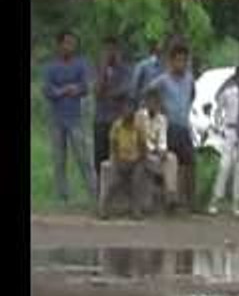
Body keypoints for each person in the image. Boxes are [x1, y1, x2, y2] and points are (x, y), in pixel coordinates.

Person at [41, 30, 97, 205]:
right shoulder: (51, 67)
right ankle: (62, 195)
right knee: (59, 158)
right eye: (67, 43)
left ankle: (94, 192)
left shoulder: (81, 64)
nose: (70, 47)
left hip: (76, 118)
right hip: (57, 118)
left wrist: (73, 89)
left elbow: (85, 86)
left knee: (84, 157)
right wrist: (65, 90)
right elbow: (47, 90)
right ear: (59, 45)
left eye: (73, 43)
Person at [146, 43, 196, 212]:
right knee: (168, 161)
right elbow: (149, 92)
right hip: (169, 127)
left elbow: (192, 94)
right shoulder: (163, 80)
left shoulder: (189, 78)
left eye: (184, 60)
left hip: (183, 126)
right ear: (171, 61)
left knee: (188, 163)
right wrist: (160, 109)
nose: (181, 64)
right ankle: (168, 199)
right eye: (178, 60)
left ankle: (188, 201)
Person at [209, 66, 239, 216]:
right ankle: (215, 199)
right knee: (225, 165)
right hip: (230, 131)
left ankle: (236, 203)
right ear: (235, 78)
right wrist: (220, 128)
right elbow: (218, 111)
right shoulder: (228, 93)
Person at [99, 97, 148, 220]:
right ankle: (104, 208)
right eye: (126, 109)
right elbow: (113, 146)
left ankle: (136, 209)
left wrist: (139, 161)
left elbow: (143, 146)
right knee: (113, 182)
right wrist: (117, 161)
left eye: (131, 109)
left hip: (135, 160)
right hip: (120, 159)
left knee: (137, 180)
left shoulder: (138, 126)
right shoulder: (117, 126)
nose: (128, 112)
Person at [93, 36, 133, 180]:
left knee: (121, 156)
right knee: (100, 157)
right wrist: (103, 69)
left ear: (118, 50)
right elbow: (97, 92)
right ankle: (100, 191)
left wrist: (108, 93)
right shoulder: (98, 69)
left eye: (112, 49)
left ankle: (121, 191)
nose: (109, 53)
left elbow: (124, 91)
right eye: (106, 49)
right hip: (101, 119)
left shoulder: (127, 70)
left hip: (119, 120)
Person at [137, 89, 179, 213]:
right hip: (142, 153)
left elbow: (162, 140)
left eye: (156, 103)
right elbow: (140, 139)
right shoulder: (139, 117)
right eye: (150, 102)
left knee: (171, 158)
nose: (153, 105)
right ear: (145, 103)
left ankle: (171, 194)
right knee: (152, 159)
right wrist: (152, 149)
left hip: (155, 155)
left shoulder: (162, 119)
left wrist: (162, 151)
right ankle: (166, 197)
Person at [131, 39, 165, 106]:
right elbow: (134, 84)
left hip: (157, 104)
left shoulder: (163, 66)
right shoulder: (143, 65)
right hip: (144, 103)